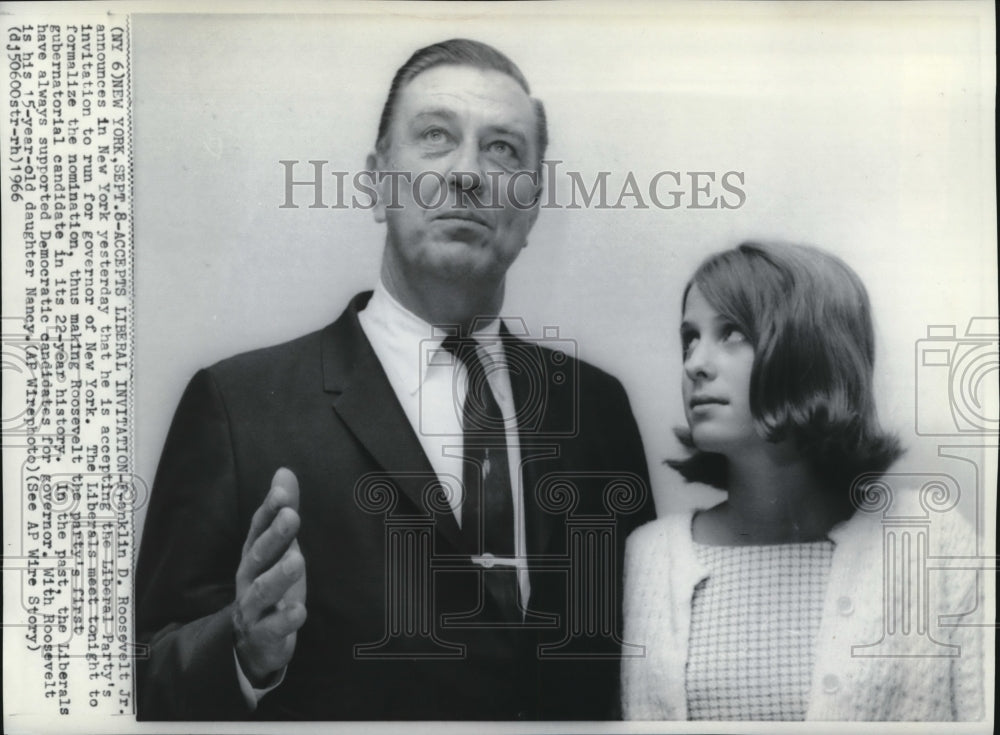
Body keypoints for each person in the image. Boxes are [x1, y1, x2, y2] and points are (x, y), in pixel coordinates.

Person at [135, 38, 655, 721]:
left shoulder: (598, 410)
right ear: (378, 181)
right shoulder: (237, 408)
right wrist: (242, 651)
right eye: (436, 137)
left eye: (503, 150)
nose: (468, 173)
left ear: (531, 209)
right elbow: (139, 677)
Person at [621, 241, 984, 721]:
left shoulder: (929, 539)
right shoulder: (651, 556)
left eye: (730, 333)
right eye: (689, 338)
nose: (694, 363)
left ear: (810, 349)